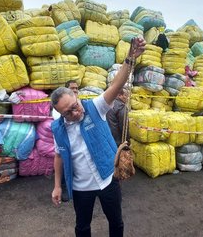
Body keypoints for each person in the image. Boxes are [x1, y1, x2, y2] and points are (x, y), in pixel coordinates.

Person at [50, 37, 145, 237]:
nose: (75, 113)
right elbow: (59, 156)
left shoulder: (95, 107)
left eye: (74, 106)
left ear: (77, 96)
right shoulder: (57, 128)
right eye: (67, 112)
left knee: (116, 222)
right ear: (60, 113)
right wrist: (57, 186)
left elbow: (116, 86)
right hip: (81, 187)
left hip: (107, 179)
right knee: (82, 227)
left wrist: (130, 58)